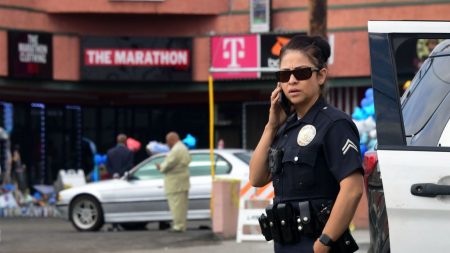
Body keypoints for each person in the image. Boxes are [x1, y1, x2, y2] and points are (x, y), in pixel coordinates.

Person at [250, 35, 363, 253]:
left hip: (320, 247)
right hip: (285, 245)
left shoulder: (334, 124)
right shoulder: (285, 127)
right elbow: (256, 177)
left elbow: (352, 189)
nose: (291, 80)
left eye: (301, 73)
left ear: (321, 76)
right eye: (284, 74)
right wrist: (271, 126)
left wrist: (324, 243)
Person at [156, 132, 191, 233]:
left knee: (176, 205)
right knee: (181, 205)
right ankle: (181, 225)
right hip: (182, 181)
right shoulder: (183, 147)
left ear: (172, 139)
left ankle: (178, 226)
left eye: (168, 141)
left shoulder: (176, 150)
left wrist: (161, 167)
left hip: (175, 182)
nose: (167, 144)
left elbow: (169, 163)